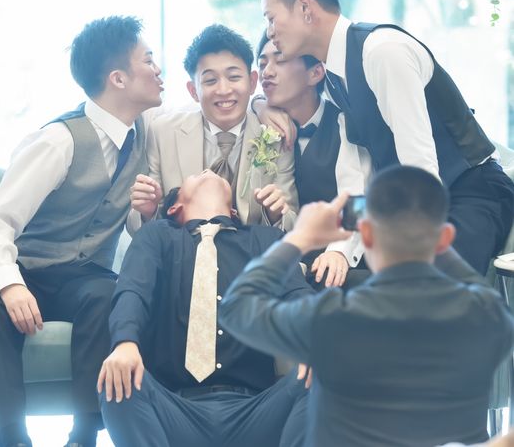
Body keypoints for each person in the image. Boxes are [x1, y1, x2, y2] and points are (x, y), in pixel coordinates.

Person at [0, 16, 163, 447]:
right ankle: (11, 438)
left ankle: (83, 436)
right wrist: (11, 287)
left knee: (109, 296)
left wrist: (147, 213)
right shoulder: (58, 141)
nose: (158, 69)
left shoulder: (145, 129)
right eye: (149, 60)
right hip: (29, 269)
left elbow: (207, 106)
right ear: (118, 79)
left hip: (86, 274)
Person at [252, 0, 514, 274]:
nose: (269, 32)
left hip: (471, 193)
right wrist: (340, 251)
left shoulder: (383, 52)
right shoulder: (333, 78)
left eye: (271, 18)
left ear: (305, 7)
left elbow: (420, 165)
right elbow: (356, 179)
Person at [220, 165, 514, 447]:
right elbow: (470, 282)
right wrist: (429, 236)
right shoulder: (487, 313)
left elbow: (237, 307)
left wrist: (300, 238)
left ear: (367, 235)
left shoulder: (332, 318)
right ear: (445, 238)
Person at [98, 170, 313, 447]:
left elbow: (296, 294)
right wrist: (125, 343)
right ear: (174, 208)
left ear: (233, 211)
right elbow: (133, 289)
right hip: (174, 409)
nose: (209, 171)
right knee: (118, 381)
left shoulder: (265, 239)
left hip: (257, 411)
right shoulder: (157, 236)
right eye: (196, 175)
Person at [131, 23, 299, 230]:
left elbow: (292, 223)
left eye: (234, 77)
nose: (224, 90)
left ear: (252, 82)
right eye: (210, 81)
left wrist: (276, 215)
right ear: (193, 91)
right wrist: (147, 213)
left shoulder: (276, 135)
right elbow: (141, 228)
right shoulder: (163, 132)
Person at [256, 31, 366, 288]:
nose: (266, 72)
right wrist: (257, 103)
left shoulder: (344, 124)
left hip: (337, 263)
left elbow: (357, 196)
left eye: (280, 60)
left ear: (315, 73)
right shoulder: (259, 127)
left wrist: (339, 251)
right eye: (261, 63)